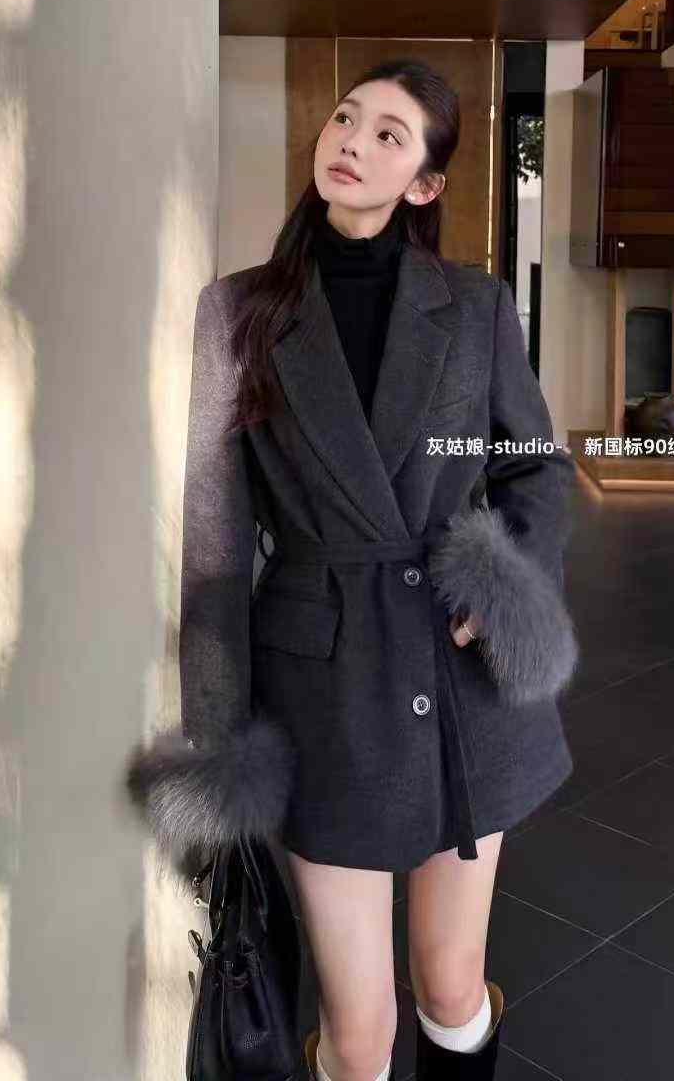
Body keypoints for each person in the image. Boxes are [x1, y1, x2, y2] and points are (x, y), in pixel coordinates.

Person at [128, 59, 580, 1081]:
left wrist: (501, 586)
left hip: (460, 682)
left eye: (389, 134)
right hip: (325, 687)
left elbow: (534, 466)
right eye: (346, 118)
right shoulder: (239, 312)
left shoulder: (475, 307)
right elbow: (216, 542)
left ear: (425, 182)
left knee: (450, 984)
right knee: (361, 1029)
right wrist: (221, 745)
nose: (352, 141)